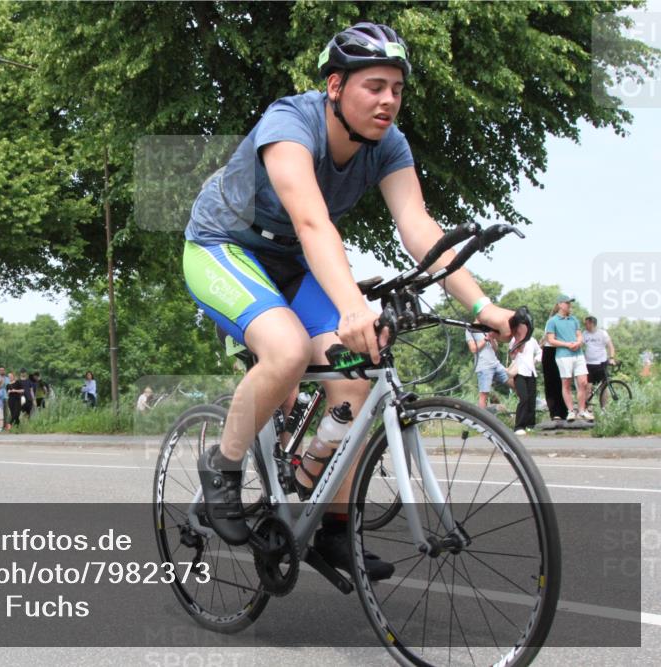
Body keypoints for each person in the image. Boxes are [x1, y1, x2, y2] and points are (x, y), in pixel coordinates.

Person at [181, 23, 522, 580]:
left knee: (356, 377)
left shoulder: (389, 145)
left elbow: (418, 227)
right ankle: (223, 462)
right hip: (224, 247)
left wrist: (484, 307)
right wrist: (351, 306)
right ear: (336, 86)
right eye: (374, 86)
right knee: (287, 350)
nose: (388, 100)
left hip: (292, 263)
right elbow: (313, 223)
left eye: (396, 88)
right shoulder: (290, 123)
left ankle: (329, 523)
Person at [545, 295, 593, 421]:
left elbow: (579, 335)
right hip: (563, 356)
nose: (569, 305)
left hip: (578, 354)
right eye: (567, 303)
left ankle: (582, 410)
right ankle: (571, 411)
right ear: (560, 304)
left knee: (583, 382)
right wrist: (567, 344)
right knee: (566, 384)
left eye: (570, 303)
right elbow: (550, 340)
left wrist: (578, 342)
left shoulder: (574, 319)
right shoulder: (552, 321)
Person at [465, 327, 511, 410]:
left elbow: (496, 348)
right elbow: (473, 349)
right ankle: (481, 418)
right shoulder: (470, 330)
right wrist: (486, 339)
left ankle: (530, 404)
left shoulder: (487, 328)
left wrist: (492, 339)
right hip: (484, 366)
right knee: (484, 394)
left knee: (513, 381)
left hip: (496, 364)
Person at [509, 333, 542, 435]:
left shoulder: (532, 340)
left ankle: (530, 424)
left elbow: (540, 351)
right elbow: (512, 356)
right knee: (524, 398)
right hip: (519, 372)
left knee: (532, 399)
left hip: (531, 372)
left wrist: (536, 360)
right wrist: (517, 348)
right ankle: (519, 426)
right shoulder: (515, 339)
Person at [583, 316, 616, 387]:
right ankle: (588, 398)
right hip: (588, 363)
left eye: (586, 324)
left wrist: (611, 358)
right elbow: (579, 345)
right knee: (588, 386)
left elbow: (611, 347)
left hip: (601, 363)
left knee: (603, 385)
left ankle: (603, 398)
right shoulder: (584, 333)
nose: (585, 325)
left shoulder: (603, 333)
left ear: (592, 324)